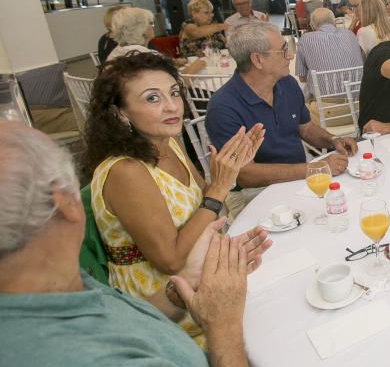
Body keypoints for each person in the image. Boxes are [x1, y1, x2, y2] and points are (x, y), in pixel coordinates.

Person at [0, 123, 271, 367]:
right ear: (65, 203)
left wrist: (182, 286)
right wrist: (224, 328)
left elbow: (112, 321)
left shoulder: (48, 288)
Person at [82, 52, 264, 346]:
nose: (172, 106)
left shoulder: (169, 144)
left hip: (204, 275)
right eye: (152, 98)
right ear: (120, 113)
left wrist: (231, 171)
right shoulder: (125, 171)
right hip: (164, 306)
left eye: (174, 93)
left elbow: (210, 212)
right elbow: (170, 259)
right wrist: (219, 188)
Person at [205, 22, 357, 189]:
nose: (290, 55)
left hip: (299, 178)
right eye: (283, 50)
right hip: (256, 192)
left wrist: (332, 140)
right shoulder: (223, 108)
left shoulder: (287, 84)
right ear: (257, 59)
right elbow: (245, 175)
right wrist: (314, 168)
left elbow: (305, 128)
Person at [295, 8, 363, 85]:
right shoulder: (350, 34)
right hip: (357, 93)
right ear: (334, 22)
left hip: (324, 96)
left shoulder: (304, 39)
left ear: (312, 26)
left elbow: (302, 78)